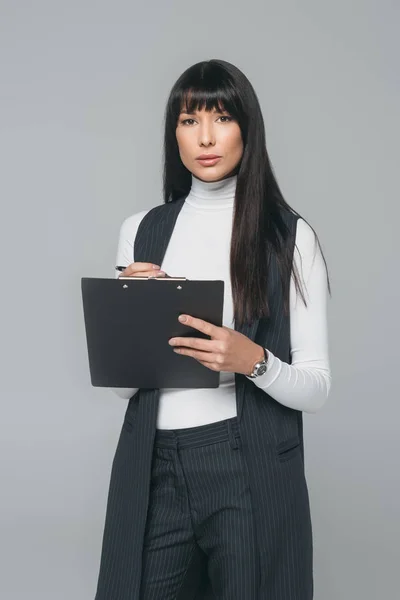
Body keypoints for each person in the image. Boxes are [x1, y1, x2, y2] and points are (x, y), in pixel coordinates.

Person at [94, 59, 331, 600]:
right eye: (187, 120)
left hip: (243, 461)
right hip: (153, 463)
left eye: (221, 118)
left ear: (247, 128)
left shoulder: (289, 238)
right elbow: (123, 388)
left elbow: (316, 388)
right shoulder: (141, 231)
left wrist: (252, 359)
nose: (204, 137)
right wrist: (130, 312)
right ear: (172, 132)